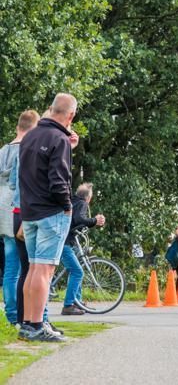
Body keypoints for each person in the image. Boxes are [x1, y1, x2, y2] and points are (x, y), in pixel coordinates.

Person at [18, 94, 80, 342]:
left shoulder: (30, 135)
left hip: (30, 211)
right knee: (44, 270)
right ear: (71, 115)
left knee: (33, 269)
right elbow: (58, 180)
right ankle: (37, 324)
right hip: (51, 213)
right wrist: (67, 206)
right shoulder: (59, 139)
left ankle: (28, 323)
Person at [0, 109, 40, 325]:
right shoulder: (25, 150)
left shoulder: (3, 150)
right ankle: (19, 315)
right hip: (17, 209)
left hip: (1, 209)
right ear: (33, 128)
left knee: (10, 267)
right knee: (23, 266)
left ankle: (10, 315)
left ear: (18, 126)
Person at [60, 183, 106, 315]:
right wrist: (94, 221)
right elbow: (79, 219)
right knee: (78, 272)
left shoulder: (73, 201)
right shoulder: (82, 203)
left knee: (75, 270)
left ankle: (77, 301)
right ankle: (68, 305)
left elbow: (75, 221)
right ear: (88, 198)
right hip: (65, 242)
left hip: (66, 240)